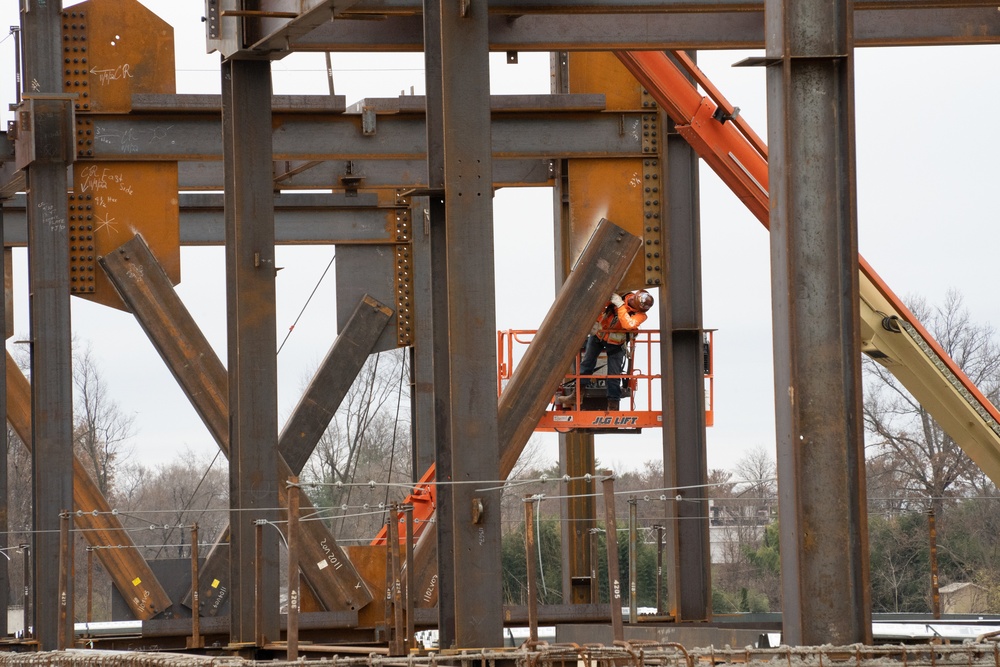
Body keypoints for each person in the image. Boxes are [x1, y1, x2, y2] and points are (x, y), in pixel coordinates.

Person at [577, 289, 654, 410]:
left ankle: (613, 405)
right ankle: (576, 395)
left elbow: (628, 325)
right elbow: (597, 305)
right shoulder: (621, 295)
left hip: (616, 343)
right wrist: (595, 321)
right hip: (599, 334)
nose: (632, 299)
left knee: (614, 375)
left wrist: (620, 305)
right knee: (587, 364)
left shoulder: (640, 315)